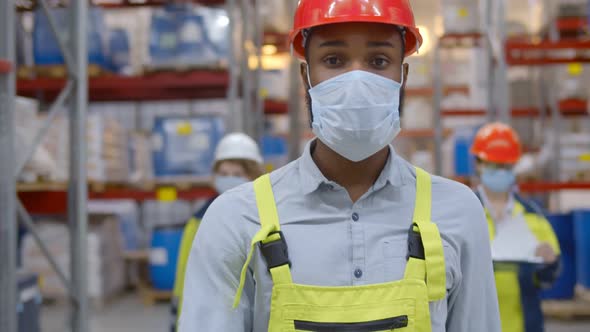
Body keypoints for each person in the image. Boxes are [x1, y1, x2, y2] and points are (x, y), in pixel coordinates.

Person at [180, 1, 501, 331]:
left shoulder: (458, 213)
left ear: (402, 76)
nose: (356, 82)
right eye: (334, 60)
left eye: (379, 61)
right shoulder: (236, 221)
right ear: (306, 75)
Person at [471, 122, 561, 332]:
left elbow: (549, 278)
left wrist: (548, 262)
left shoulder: (533, 216)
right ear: (478, 164)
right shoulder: (464, 214)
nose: (500, 172)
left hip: (525, 324)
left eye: (506, 166)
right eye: (494, 165)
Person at [170, 132, 264, 332]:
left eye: (237, 174)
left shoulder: (269, 219)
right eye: (224, 174)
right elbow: (184, 280)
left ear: (254, 174)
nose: (229, 180)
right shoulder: (198, 221)